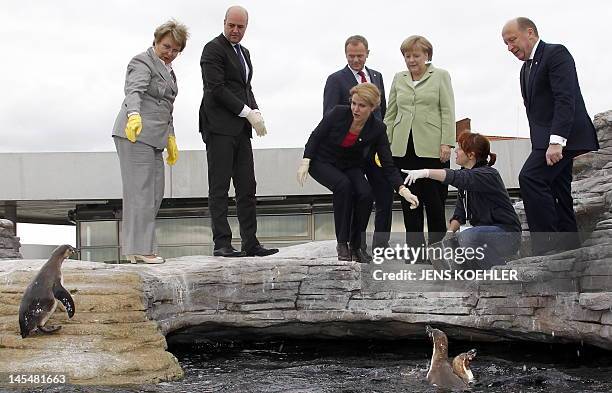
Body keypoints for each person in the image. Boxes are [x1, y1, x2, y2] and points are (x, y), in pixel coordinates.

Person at [501, 17, 599, 254]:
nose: (509, 47)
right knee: (559, 190)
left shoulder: (556, 54)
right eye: (505, 44)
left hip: (565, 138)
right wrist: (541, 145)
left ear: (530, 33)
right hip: (545, 143)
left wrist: (556, 141)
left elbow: (565, 98)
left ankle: (546, 247)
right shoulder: (525, 70)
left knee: (530, 178)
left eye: (512, 40)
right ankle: (570, 248)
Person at [297, 83, 419, 263]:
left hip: (349, 164)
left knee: (365, 194)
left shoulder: (377, 128)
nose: (355, 109)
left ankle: (357, 245)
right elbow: (316, 136)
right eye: (354, 103)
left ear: (372, 107)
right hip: (321, 161)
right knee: (343, 186)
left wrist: (402, 189)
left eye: (361, 105)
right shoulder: (338, 113)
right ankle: (342, 243)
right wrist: (306, 161)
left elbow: (387, 163)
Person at [199, 6, 278, 258]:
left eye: (240, 27)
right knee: (220, 186)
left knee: (247, 186)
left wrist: (256, 111)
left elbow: (245, 87)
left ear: (246, 27)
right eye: (231, 25)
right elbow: (217, 88)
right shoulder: (212, 49)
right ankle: (222, 243)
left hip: (241, 130)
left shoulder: (244, 52)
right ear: (224, 23)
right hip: (219, 125)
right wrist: (247, 112)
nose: (235, 30)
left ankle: (250, 242)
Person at [111, 20, 189, 264]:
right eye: (166, 47)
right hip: (135, 134)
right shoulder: (142, 62)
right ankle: (142, 249)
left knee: (155, 193)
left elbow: (167, 106)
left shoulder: (169, 70)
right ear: (156, 41)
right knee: (140, 194)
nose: (170, 53)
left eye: (175, 50)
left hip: (156, 138)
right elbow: (134, 91)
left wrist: (171, 137)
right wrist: (133, 115)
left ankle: (135, 247)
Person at [404, 132, 521, 269]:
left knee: (467, 237)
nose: (455, 151)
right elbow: (460, 212)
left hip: (507, 235)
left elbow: (457, 177)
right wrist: (449, 235)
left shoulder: (488, 174)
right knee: (456, 245)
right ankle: (482, 270)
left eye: (459, 148)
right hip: (485, 234)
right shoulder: (466, 178)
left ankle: (502, 270)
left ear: (471, 155)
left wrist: (426, 173)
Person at [384, 35, 456, 259]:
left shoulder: (441, 76)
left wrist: (447, 142)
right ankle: (414, 251)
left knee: (435, 202)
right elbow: (391, 113)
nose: (411, 60)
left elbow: (448, 110)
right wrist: (384, 144)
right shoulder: (399, 78)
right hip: (403, 149)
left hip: (433, 147)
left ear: (427, 55)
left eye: (416, 55)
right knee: (409, 200)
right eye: (407, 56)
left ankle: (437, 252)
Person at [323, 35, 394, 251]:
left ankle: (381, 245)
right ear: (346, 55)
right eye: (351, 56)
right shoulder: (336, 80)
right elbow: (329, 116)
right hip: (350, 152)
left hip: (375, 149)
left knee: (384, 193)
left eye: (359, 56)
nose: (355, 60)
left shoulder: (377, 77)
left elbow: (382, 112)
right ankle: (356, 244)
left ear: (367, 54)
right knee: (358, 194)